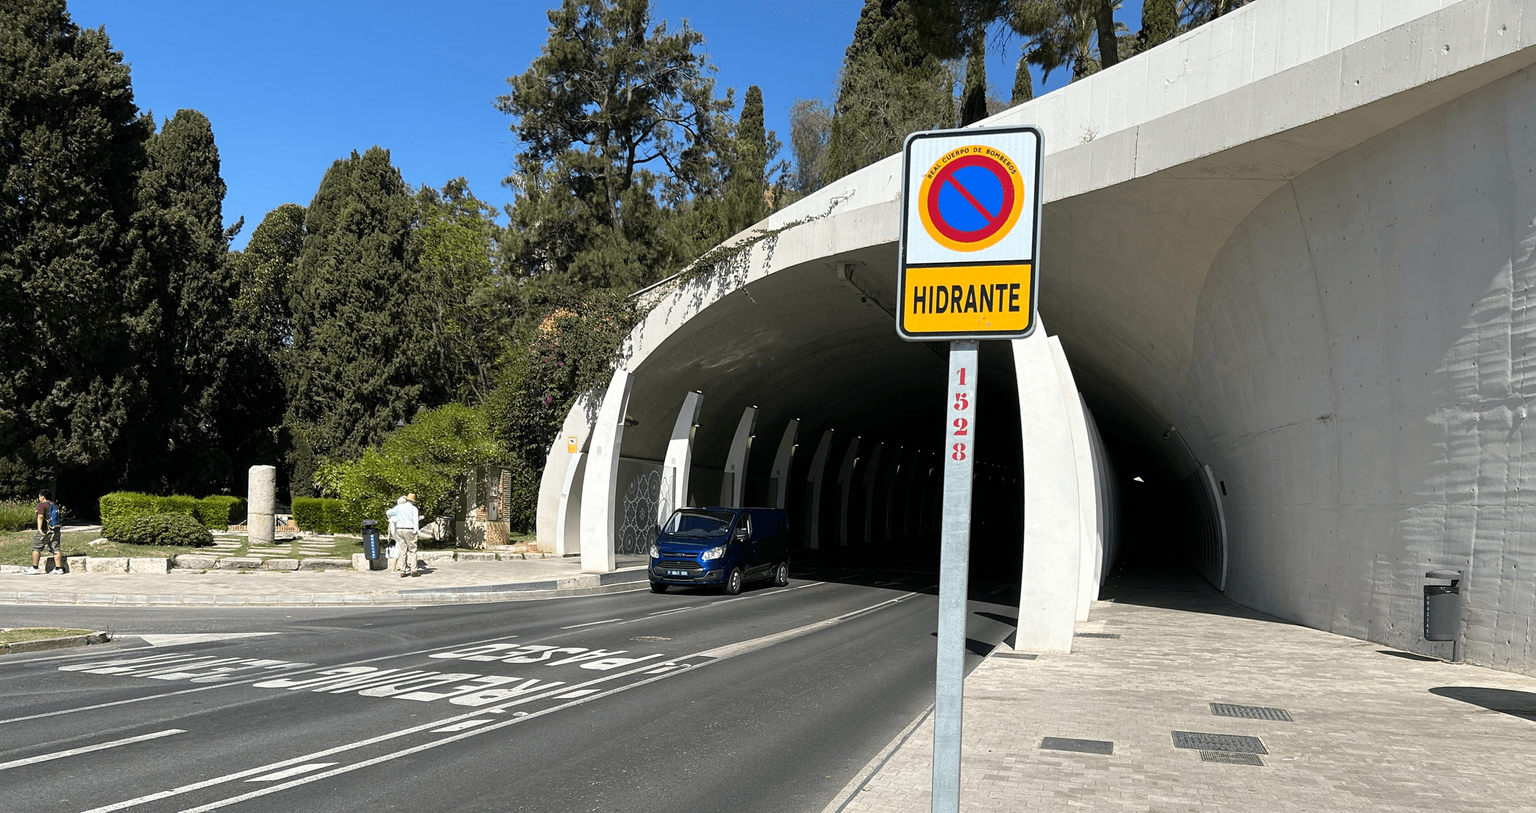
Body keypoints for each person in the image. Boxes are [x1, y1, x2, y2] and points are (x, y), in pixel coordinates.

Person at [26, 489, 64, 575]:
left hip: (45, 530)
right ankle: (58, 568)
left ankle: (34, 568)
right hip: (55, 530)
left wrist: (39, 529)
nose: (39, 498)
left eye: (39, 497)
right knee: (55, 549)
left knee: (35, 547)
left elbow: (40, 517)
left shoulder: (41, 505)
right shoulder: (54, 505)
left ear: (42, 497)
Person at [385, 494, 420, 578]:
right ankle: (413, 570)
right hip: (409, 529)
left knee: (402, 550)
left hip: (399, 529)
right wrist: (416, 533)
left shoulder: (399, 507)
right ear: (412, 501)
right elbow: (416, 521)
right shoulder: (413, 509)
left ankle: (403, 570)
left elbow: (388, 513)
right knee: (412, 549)